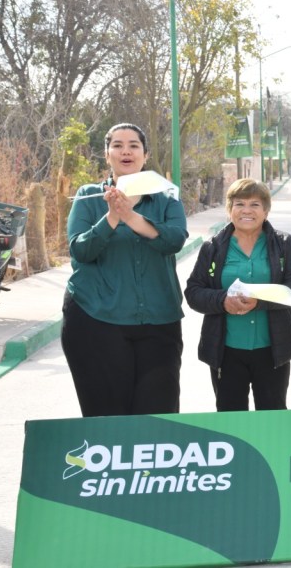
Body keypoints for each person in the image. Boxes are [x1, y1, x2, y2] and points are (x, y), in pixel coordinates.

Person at [62, 123, 188, 417]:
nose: (126, 151)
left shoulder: (168, 197)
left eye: (134, 145)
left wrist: (130, 216)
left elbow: (174, 240)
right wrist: (112, 216)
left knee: (158, 414)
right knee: (105, 416)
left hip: (158, 319)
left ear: (145, 154)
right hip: (95, 318)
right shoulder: (88, 196)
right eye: (117, 145)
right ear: (107, 154)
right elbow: (81, 250)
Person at [184, 179, 291, 411]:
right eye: (239, 204)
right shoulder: (212, 247)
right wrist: (223, 301)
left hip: (273, 350)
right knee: (230, 417)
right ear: (229, 209)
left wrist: (259, 302)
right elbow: (194, 292)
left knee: (272, 416)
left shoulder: (285, 244)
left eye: (255, 204)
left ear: (266, 211)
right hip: (226, 350)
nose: (247, 210)